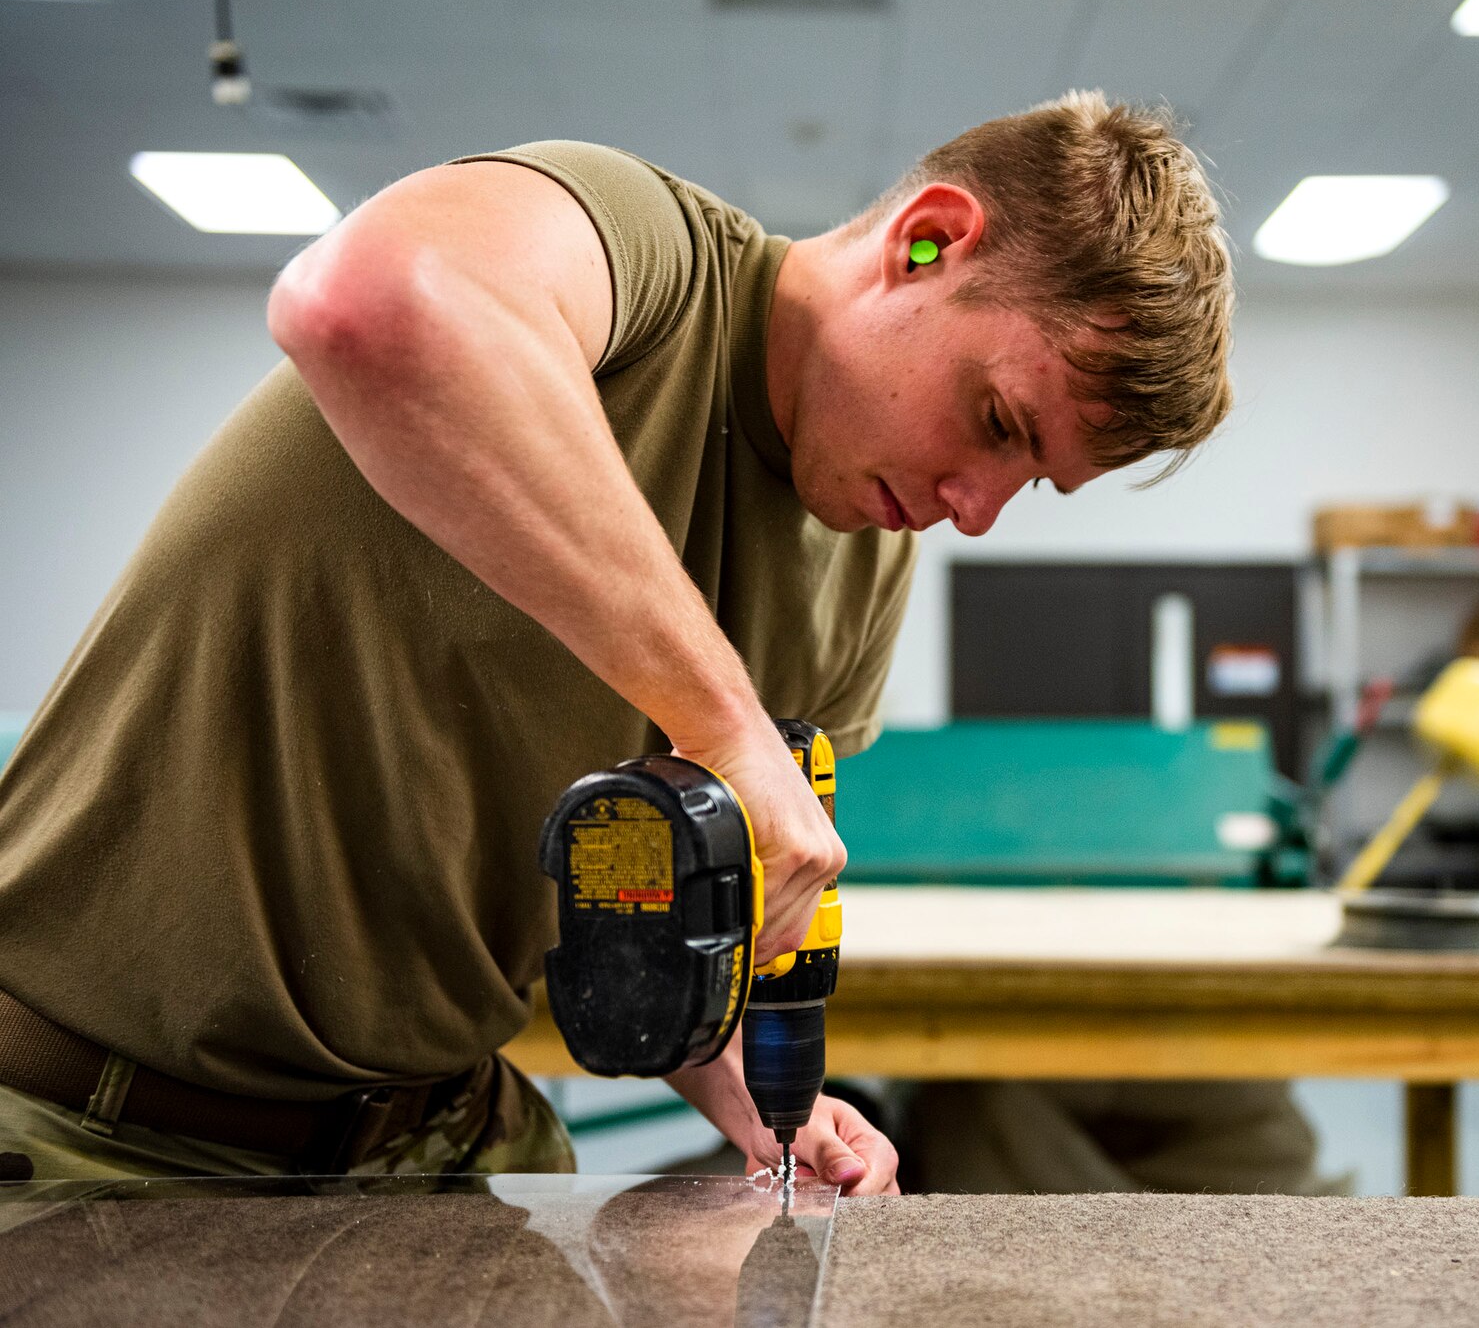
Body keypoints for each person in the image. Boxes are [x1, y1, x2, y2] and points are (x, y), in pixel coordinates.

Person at [0, 91, 1235, 1187]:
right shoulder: (646, 254)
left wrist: (760, 1096)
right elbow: (366, 305)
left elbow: (660, 906)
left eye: (1031, 484)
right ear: (928, 241)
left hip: (433, 1138)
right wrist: (729, 726)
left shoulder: (868, 553)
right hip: (81, 1129)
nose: (975, 508)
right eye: (998, 422)